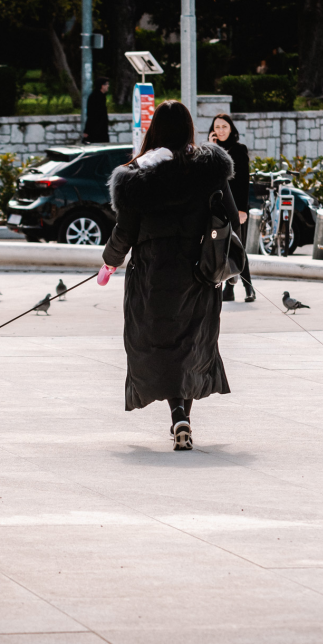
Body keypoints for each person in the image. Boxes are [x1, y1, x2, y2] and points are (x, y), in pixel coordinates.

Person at [98, 101, 238, 451]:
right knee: (191, 342)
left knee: (156, 345)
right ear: (189, 127)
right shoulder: (209, 168)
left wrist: (108, 263)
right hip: (198, 272)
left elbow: (125, 231)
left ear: (154, 129)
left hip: (152, 274)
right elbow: (230, 219)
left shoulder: (137, 174)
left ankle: (176, 411)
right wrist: (224, 262)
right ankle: (182, 415)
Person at [207, 113, 254, 303]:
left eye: (224, 127)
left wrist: (242, 210)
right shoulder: (210, 151)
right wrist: (212, 147)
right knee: (219, 248)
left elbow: (244, 181)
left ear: (231, 129)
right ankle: (227, 289)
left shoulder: (239, 150)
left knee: (238, 247)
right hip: (217, 207)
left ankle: (249, 288)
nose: (220, 130)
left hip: (236, 208)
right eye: (217, 127)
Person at [83, 77, 110, 143]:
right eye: (106, 84)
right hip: (95, 129)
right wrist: (87, 130)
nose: (108, 86)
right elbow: (91, 115)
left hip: (102, 128)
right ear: (102, 86)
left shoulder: (102, 96)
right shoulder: (95, 97)